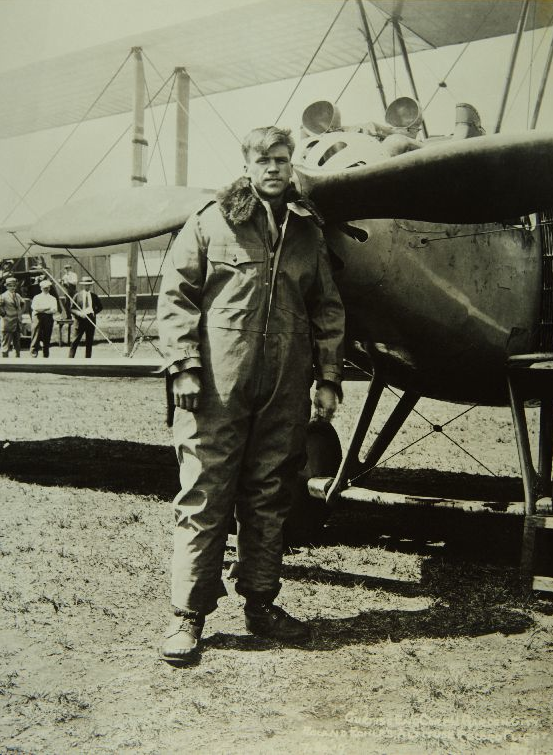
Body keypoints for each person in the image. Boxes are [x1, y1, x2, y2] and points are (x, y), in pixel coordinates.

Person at [157, 125, 345, 664]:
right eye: (263, 160)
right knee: (203, 495)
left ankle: (261, 604)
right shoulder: (210, 222)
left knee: (270, 496)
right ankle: (187, 617)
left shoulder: (308, 231)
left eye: (282, 159)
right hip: (215, 387)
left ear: (291, 165)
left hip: (285, 388)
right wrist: (184, 368)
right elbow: (176, 298)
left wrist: (327, 378)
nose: (274, 169)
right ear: (246, 163)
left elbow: (327, 308)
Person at [68, 276, 102, 358]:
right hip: (80, 321)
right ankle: (69, 360)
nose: (87, 286)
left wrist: (94, 312)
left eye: (89, 285)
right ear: (83, 285)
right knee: (74, 342)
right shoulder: (77, 295)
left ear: (91, 286)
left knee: (89, 342)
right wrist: (78, 313)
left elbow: (100, 307)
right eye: (85, 285)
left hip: (90, 320)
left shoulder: (94, 296)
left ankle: (87, 361)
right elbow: (71, 309)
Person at [30, 278, 59, 357]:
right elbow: (35, 308)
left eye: (47, 288)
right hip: (37, 318)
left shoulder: (53, 298)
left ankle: (45, 354)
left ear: (49, 288)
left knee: (47, 335)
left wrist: (43, 309)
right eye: (44, 288)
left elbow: (54, 310)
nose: (46, 289)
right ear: (41, 288)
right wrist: (47, 308)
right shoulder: (37, 297)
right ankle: (33, 352)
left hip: (48, 318)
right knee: (36, 335)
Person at [0, 276, 25, 357]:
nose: (12, 287)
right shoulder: (3, 296)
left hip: (17, 324)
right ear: (6, 286)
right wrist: (4, 314)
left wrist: (20, 312)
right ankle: (4, 365)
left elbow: (23, 303)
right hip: (7, 323)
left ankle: (17, 363)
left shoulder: (17, 295)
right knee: (5, 345)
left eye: (14, 285)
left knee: (17, 345)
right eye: (10, 285)